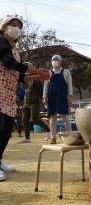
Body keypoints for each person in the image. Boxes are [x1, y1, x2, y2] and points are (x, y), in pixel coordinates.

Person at [0, 15, 50, 181]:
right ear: (4, 27)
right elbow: (9, 63)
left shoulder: (17, 52)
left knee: (6, 131)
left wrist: (37, 77)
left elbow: (19, 76)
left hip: (8, 96)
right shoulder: (1, 41)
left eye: (19, 26)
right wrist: (36, 71)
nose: (16, 28)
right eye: (12, 25)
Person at [43, 54, 73, 144]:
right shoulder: (49, 72)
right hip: (51, 97)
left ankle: (70, 136)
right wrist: (44, 97)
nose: (54, 61)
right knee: (52, 119)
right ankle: (53, 137)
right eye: (53, 60)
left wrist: (70, 96)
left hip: (62, 97)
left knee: (66, 118)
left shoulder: (66, 72)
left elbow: (70, 85)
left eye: (56, 60)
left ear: (60, 62)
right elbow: (46, 85)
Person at [18, 62, 51, 144]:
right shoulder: (25, 79)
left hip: (35, 101)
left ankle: (48, 130)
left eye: (27, 67)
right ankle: (27, 137)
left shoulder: (36, 79)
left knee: (34, 119)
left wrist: (44, 100)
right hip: (26, 101)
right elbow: (25, 91)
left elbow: (41, 90)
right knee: (24, 119)